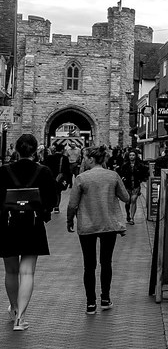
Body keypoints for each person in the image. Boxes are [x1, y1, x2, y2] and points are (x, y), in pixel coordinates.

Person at [1, 133, 58, 331]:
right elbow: (52, 198)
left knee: (10, 271)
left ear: (16, 149)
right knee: (27, 272)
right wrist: (44, 213)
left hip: (7, 225)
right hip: (32, 224)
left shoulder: (3, 171)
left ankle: (14, 309)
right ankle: (21, 318)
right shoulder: (43, 171)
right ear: (35, 151)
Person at [67, 146, 130, 314]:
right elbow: (126, 197)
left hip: (87, 225)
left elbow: (72, 204)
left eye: (84, 158)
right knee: (106, 262)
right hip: (108, 225)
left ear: (91, 159)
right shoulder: (112, 176)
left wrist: (69, 220)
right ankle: (105, 298)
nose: (83, 160)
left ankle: (90, 303)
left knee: (89, 265)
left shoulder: (82, 178)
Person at [117, 149, 149, 225]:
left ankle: (132, 218)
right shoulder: (125, 165)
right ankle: (128, 214)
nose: (131, 157)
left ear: (136, 156)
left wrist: (141, 179)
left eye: (133, 155)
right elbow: (121, 173)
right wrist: (123, 178)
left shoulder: (139, 165)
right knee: (127, 201)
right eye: (130, 155)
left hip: (136, 185)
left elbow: (144, 173)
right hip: (127, 185)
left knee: (133, 200)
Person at [42, 145, 72, 214]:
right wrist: (69, 181)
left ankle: (49, 206)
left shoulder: (49, 157)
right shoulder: (64, 158)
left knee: (49, 192)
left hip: (50, 178)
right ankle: (56, 207)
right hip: (59, 178)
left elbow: (44, 167)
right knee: (58, 192)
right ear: (62, 150)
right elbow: (67, 170)